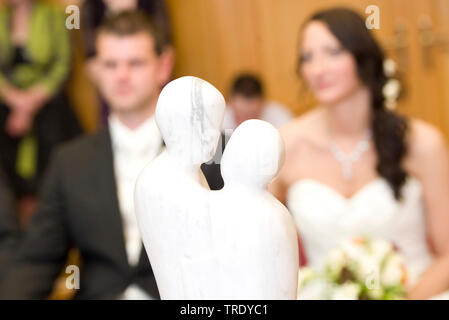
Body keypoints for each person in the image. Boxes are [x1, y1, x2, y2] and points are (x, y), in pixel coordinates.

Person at [270, 8, 449, 299]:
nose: (318, 69)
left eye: (333, 52)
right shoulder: (284, 146)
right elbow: (258, 246)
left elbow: (447, 255)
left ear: (363, 58)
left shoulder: (423, 143)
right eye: (307, 57)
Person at [0, 10, 174, 299]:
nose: (122, 75)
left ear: (163, 65)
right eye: (110, 64)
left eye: (135, 63)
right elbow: (37, 261)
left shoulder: (204, 155)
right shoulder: (70, 161)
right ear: (94, 71)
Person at [0, 0, 81, 202]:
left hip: (46, 99)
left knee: (53, 135)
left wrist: (31, 100)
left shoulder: (55, 16)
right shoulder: (2, 19)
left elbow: (63, 64)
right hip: (7, 99)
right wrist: (14, 98)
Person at [222, 73, 293, 131]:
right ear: (229, 102)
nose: (246, 121)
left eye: (252, 115)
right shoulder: (222, 122)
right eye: (241, 115)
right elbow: (221, 148)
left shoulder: (278, 116)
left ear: (263, 102)